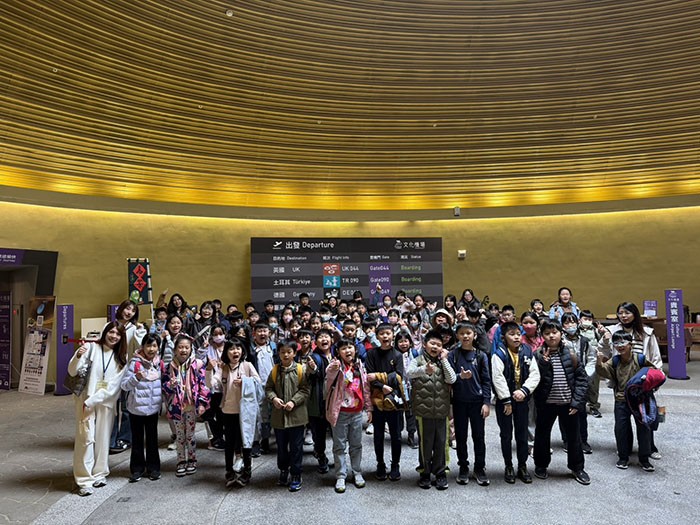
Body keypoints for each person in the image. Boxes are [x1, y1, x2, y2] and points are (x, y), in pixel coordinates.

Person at [69, 322, 128, 496]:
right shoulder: (90, 348)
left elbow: (114, 387)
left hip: (105, 402)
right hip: (85, 401)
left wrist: (94, 400)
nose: (114, 336)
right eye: (111, 332)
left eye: (118, 334)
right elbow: (72, 371)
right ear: (105, 332)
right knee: (85, 438)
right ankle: (84, 479)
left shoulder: (121, 358)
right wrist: (78, 356)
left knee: (103, 439)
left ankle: (100, 473)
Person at [598, 302, 663, 459]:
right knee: (622, 420)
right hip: (621, 378)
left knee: (646, 416)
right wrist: (606, 340)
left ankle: (649, 448)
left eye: (627, 312)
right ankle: (624, 449)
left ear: (635, 314)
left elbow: (655, 356)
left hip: (642, 379)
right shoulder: (611, 331)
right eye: (620, 313)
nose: (623, 316)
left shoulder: (646, 332)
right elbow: (602, 351)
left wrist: (655, 379)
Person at [532, 320, 590, 485]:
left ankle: (577, 467)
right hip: (546, 404)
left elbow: (582, 380)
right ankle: (541, 465)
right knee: (542, 436)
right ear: (542, 336)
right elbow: (533, 379)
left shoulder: (571, 354)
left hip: (568, 404)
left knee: (574, 437)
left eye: (554, 332)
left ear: (561, 333)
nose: (551, 336)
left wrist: (577, 402)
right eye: (547, 333)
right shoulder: (537, 355)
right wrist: (543, 363)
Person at [595, 332, 657, 471]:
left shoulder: (640, 358)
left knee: (644, 428)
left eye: (623, 342)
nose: (620, 346)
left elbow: (654, 371)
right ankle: (623, 457)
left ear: (630, 344)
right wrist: (599, 361)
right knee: (621, 429)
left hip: (640, 399)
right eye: (616, 343)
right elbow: (604, 371)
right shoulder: (615, 360)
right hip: (621, 399)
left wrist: (647, 382)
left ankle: (644, 459)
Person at [492, 321, 540, 484]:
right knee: (506, 434)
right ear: (504, 337)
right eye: (511, 334)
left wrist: (524, 391)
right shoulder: (499, 354)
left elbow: (535, 374)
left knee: (522, 433)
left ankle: (522, 465)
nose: (516, 337)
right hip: (505, 401)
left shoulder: (527, 351)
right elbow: (497, 378)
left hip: (522, 399)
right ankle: (508, 466)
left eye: (518, 334)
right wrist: (506, 400)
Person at [408, 330, 457, 490]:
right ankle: (425, 472)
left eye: (439, 345)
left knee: (442, 443)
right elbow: (408, 373)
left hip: (442, 411)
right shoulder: (417, 360)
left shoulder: (443, 362)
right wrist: (423, 370)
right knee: (425, 444)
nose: (435, 347)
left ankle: (441, 473)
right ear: (424, 344)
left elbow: (452, 379)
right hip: (423, 412)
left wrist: (444, 360)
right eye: (432, 343)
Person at [325, 338, 373, 493]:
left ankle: (357, 472)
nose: (347, 350)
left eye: (350, 347)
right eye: (343, 348)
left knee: (356, 444)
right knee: (339, 446)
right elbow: (329, 374)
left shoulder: (360, 366)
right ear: (338, 352)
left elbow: (365, 388)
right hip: (340, 413)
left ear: (355, 349)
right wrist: (333, 367)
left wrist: (369, 408)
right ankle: (341, 475)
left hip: (357, 413)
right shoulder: (336, 366)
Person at [448, 323, 492, 486]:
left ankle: (479, 468)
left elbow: (486, 380)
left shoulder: (481, 356)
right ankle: (463, 467)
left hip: (477, 402)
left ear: (474, 335)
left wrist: (486, 402)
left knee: (479, 436)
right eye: (462, 333)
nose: (465, 336)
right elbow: (449, 378)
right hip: (459, 402)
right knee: (461, 436)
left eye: (468, 333)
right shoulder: (453, 355)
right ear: (457, 336)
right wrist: (460, 376)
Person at [162, 334, 210, 477]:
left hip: (191, 405)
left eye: (186, 347)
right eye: (180, 347)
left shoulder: (197, 365)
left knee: (190, 435)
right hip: (176, 407)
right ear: (175, 350)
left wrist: (202, 403)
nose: (183, 350)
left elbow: (203, 385)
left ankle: (192, 460)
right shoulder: (169, 367)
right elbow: (163, 387)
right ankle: (180, 461)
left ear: (191, 349)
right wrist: (170, 385)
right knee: (179, 435)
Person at [265, 340, 310, 492]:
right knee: (282, 447)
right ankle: (283, 470)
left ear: (294, 353)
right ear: (278, 353)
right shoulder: (275, 370)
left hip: (297, 417)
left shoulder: (300, 370)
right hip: (279, 418)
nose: (286, 355)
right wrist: (274, 399)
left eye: (289, 352)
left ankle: (296, 474)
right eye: (282, 352)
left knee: (296, 447)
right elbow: (268, 388)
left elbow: (305, 390)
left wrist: (293, 401)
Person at [366, 323, 405, 482]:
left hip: (393, 400)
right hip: (377, 400)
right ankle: (380, 464)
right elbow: (368, 377)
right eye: (382, 334)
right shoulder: (371, 354)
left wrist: (379, 377)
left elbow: (398, 376)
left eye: (388, 333)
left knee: (396, 436)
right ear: (377, 336)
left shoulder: (397, 355)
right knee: (378, 435)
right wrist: (383, 385)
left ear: (393, 335)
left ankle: (395, 464)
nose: (385, 336)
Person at [121, 333, 162, 482]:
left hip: (153, 409)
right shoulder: (134, 363)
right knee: (137, 440)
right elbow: (124, 385)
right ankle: (137, 469)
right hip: (136, 409)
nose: (151, 349)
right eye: (148, 345)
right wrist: (136, 378)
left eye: (154, 345)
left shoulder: (159, 364)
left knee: (152, 440)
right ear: (143, 346)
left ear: (158, 347)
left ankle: (154, 468)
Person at [221, 338, 262, 488]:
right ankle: (229, 472)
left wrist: (245, 381)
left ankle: (247, 472)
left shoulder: (247, 365)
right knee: (229, 443)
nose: (235, 351)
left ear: (242, 351)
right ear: (226, 352)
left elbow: (258, 383)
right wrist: (208, 370)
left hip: (245, 411)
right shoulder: (223, 368)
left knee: (246, 440)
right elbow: (212, 385)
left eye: (238, 348)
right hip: (228, 410)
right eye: (231, 349)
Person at [109, 300, 147, 455]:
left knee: (126, 407)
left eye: (132, 310)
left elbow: (140, 346)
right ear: (121, 309)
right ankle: (109, 439)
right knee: (111, 407)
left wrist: (140, 331)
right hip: (111, 372)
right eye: (127, 308)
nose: (129, 312)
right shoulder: (110, 326)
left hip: (127, 373)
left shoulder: (135, 328)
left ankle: (125, 439)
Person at [561, 313, 596, 454]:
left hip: (581, 381)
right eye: (567, 323)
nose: (570, 325)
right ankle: (567, 440)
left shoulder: (585, 341)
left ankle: (583, 440)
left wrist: (585, 376)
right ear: (562, 326)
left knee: (581, 412)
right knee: (564, 412)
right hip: (564, 380)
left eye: (573, 322)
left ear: (578, 323)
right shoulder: (560, 341)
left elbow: (592, 359)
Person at [306, 329, 335, 474]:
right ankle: (321, 456)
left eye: (326, 337)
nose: (324, 339)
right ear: (315, 342)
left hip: (335, 400)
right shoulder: (314, 357)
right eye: (320, 337)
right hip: (319, 400)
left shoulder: (336, 354)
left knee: (337, 431)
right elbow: (312, 373)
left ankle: (339, 456)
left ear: (332, 340)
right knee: (319, 431)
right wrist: (313, 369)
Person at [202, 324, 227, 451]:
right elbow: (200, 360)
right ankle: (215, 438)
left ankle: (220, 438)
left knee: (222, 414)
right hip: (210, 385)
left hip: (226, 386)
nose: (218, 336)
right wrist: (203, 348)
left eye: (220, 333)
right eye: (215, 334)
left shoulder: (229, 347)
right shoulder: (208, 348)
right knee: (209, 414)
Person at [395, 332, 419, 448]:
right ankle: (397, 435)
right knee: (398, 413)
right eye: (400, 341)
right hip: (399, 387)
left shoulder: (414, 353)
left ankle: (411, 436)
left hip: (412, 387)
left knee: (411, 413)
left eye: (405, 341)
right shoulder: (394, 354)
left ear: (410, 342)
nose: (403, 344)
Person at [578, 310, 603, 418]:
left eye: (589, 319)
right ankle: (578, 405)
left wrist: (602, 332)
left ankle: (593, 406)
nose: (587, 321)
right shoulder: (575, 330)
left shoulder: (596, 330)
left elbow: (603, 343)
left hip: (593, 360)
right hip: (579, 360)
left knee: (593, 384)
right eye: (585, 319)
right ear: (580, 320)